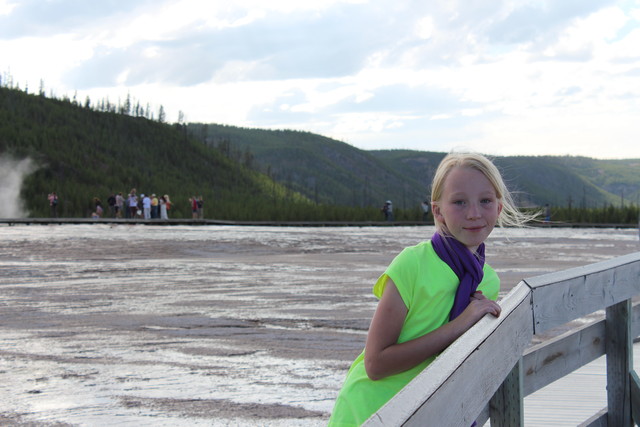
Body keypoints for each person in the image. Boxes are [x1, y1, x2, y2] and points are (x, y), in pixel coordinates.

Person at [328, 152, 536, 426]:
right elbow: (375, 364)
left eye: (485, 201)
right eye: (459, 202)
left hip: (435, 414)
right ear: (438, 211)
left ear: (498, 208)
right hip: (374, 411)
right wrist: (460, 324)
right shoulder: (412, 264)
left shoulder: (488, 281)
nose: (474, 213)